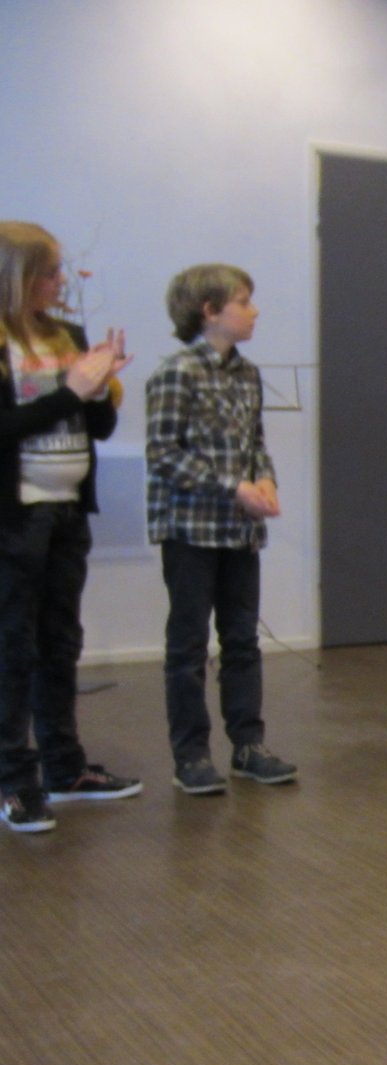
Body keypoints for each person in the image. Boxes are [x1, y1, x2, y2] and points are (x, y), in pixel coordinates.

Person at [0, 222, 142, 833]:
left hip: (67, 511)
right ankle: (13, 780)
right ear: (18, 276)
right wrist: (70, 392)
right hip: (15, 515)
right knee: (13, 648)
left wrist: (101, 388)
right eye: (51, 272)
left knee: (60, 643)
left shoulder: (69, 336)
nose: (61, 282)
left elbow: (98, 429)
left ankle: (65, 768)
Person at [147, 264, 296, 795]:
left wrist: (265, 480)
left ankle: (248, 745)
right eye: (243, 301)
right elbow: (163, 453)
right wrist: (233, 487)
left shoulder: (247, 373)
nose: (254, 311)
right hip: (190, 528)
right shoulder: (177, 373)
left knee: (241, 640)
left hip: (238, 529)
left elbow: (256, 443)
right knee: (189, 646)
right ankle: (190, 756)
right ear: (209, 311)